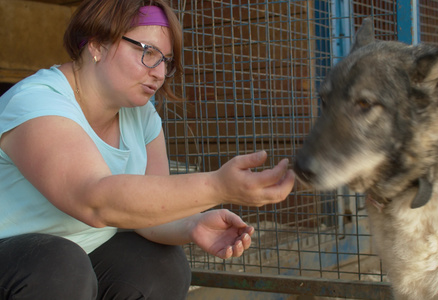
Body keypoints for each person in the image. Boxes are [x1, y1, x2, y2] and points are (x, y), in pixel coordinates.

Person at [0, 0, 295, 299]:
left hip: (77, 252)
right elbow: (94, 199)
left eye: (166, 60)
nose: (160, 72)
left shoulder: (141, 116)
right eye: (148, 52)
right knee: (60, 268)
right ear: (97, 45)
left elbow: (150, 216)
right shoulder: (37, 102)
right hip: (16, 253)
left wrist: (193, 224)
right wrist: (219, 186)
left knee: (161, 266)